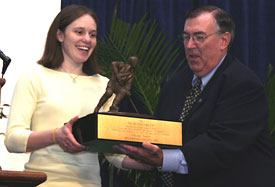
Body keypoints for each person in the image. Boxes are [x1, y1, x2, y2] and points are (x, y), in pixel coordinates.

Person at [113, 5, 275, 187]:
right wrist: (134, 148)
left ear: (224, 41)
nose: (190, 45)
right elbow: (161, 132)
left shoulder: (243, 85)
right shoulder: (176, 83)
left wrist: (162, 159)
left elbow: (220, 145)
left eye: (199, 37)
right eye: (186, 37)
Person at [4, 5, 147, 187]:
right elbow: (13, 140)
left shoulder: (104, 84)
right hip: (43, 183)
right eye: (79, 32)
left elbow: (112, 154)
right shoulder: (34, 76)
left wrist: (145, 161)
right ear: (60, 35)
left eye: (92, 34)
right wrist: (56, 135)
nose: (87, 39)